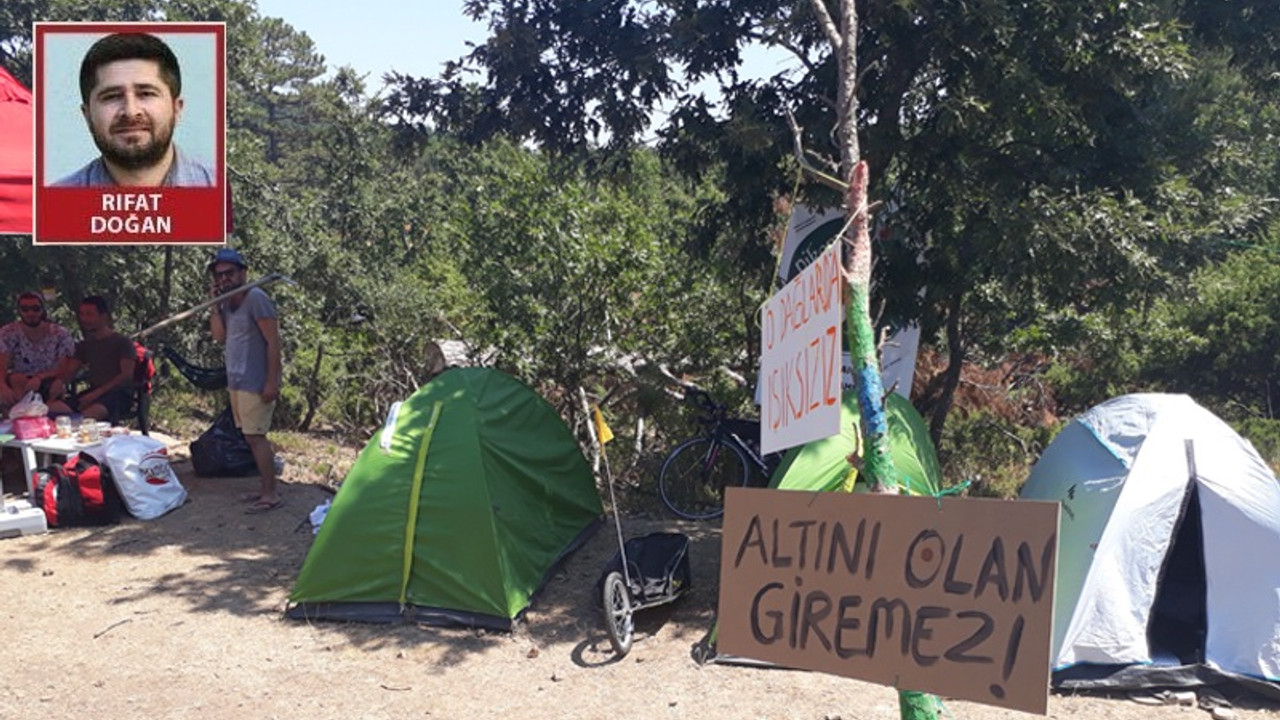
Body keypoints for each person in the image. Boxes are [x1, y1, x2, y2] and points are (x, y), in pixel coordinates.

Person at [54, 32, 215, 187]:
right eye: (111, 96)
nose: (130, 112)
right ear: (87, 116)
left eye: (146, 93)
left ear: (176, 108)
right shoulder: (54, 204)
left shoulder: (220, 192)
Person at [208, 248, 284, 514]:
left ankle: (270, 494)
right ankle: (264, 487)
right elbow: (220, 337)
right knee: (249, 437)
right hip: (236, 379)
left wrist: (271, 381)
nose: (224, 278)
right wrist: (214, 306)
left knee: (256, 436)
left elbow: (273, 343)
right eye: (219, 275)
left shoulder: (257, 298)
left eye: (229, 273)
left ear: (243, 272)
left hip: (256, 379)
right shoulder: (227, 303)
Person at [48, 296, 136, 423]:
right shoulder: (85, 345)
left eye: (90, 314)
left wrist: (96, 394)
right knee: (48, 410)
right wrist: (59, 381)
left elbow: (126, 375)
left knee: (83, 420)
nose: (85, 319)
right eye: (82, 314)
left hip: (117, 395)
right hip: (91, 393)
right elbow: (71, 370)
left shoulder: (122, 342)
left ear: (104, 316)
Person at [0, 292, 75, 411]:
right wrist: (2, 387)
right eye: (25, 309)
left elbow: (64, 367)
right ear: (19, 311)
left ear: (42, 309)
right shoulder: (8, 333)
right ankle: (20, 411)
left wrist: (39, 378)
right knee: (16, 379)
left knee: (60, 408)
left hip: (49, 381)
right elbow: (2, 363)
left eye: (35, 309)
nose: (30, 313)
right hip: (19, 385)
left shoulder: (59, 333)